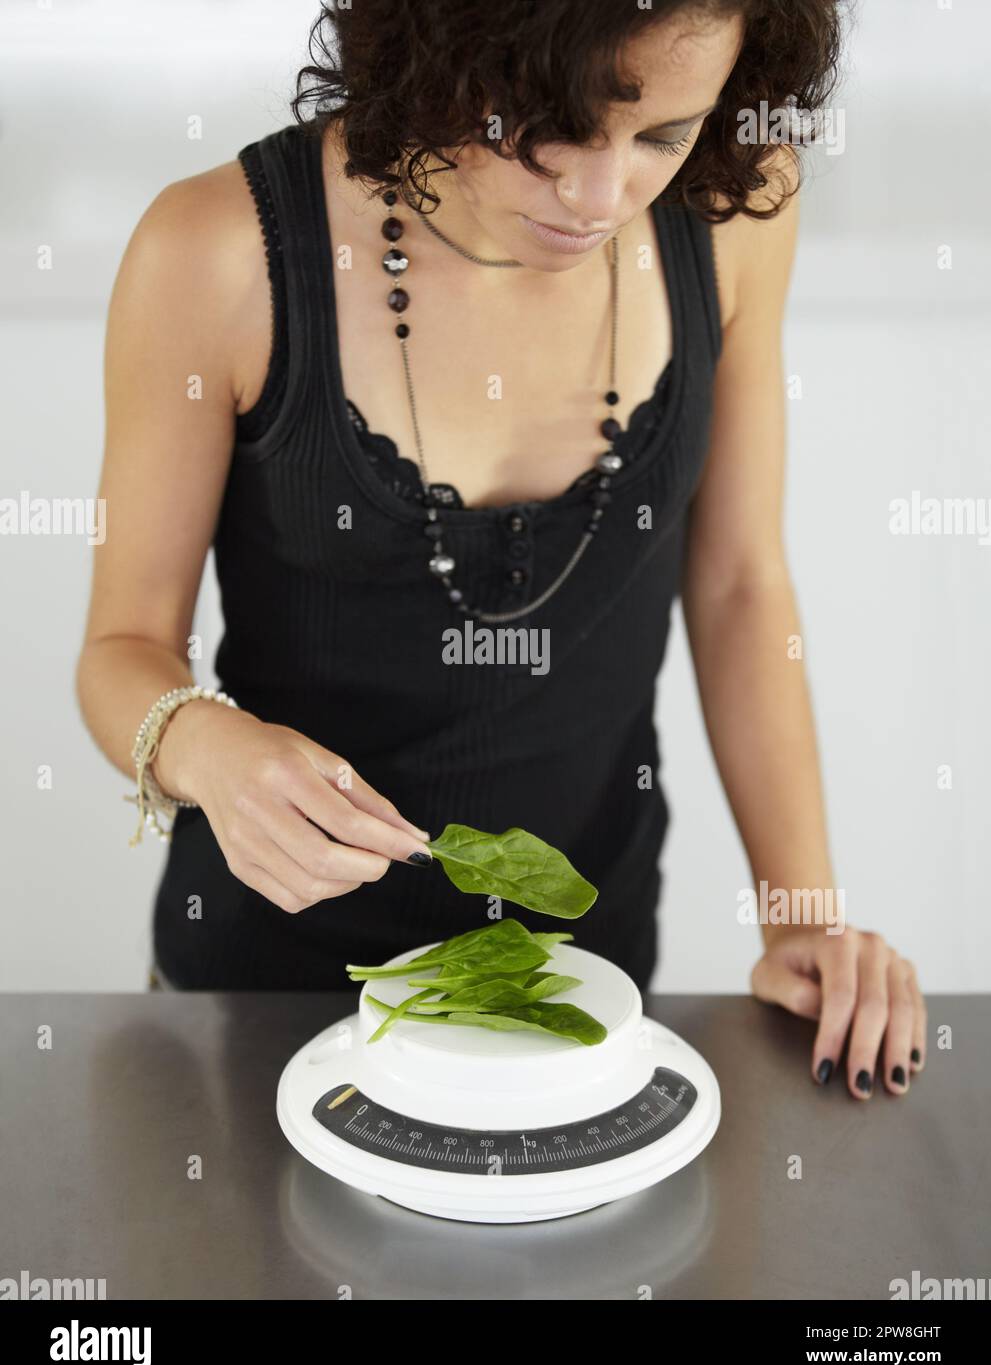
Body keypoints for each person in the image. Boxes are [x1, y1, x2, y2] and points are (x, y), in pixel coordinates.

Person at [77, 0, 925, 1098]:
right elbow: (122, 647)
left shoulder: (736, 205)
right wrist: (203, 750)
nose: (602, 196)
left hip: (578, 998)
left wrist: (800, 911)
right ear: (438, 57)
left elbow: (740, 585)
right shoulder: (214, 253)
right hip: (262, 1007)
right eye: (547, 132)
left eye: (662, 135)